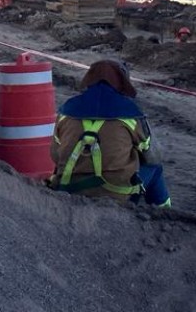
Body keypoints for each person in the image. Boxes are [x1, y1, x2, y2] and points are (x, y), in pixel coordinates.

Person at [48, 60, 171, 208]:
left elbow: (55, 154)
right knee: (155, 169)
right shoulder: (130, 114)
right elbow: (153, 156)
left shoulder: (65, 111)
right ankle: (164, 214)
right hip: (115, 195)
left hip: (69, 190)